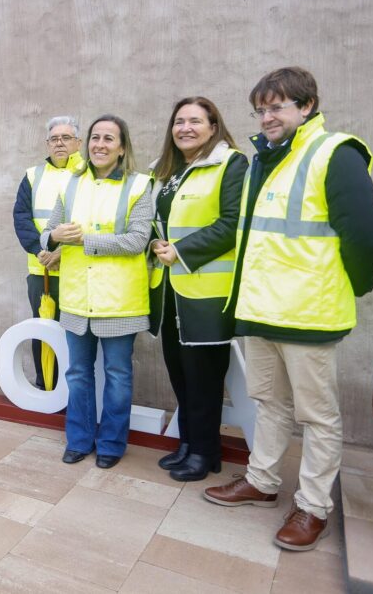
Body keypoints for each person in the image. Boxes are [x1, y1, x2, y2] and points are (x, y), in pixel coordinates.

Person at [204, 67, 373, 551]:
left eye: (277, 106)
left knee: (318, 417)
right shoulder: (267, 159)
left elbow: (367, 239)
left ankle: (311, 508)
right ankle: (262, 482)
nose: (266, 117)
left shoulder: (335, 153)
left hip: (309, 315)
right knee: (271, 405)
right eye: (260, 109)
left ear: (306, 106)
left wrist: (349, 287)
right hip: (262, 311)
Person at [41, 115, 152, 468]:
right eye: (94, 138)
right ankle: (79, 440)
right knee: (77, 373)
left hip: (119, 301)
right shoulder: (71, 183)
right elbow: (48, 231)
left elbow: (137, 240)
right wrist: (55, 238)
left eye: (109, 139)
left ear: (122, 147)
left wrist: (85, 240)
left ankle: (111, 445)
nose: (100, 144)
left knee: (118, 376)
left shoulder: (140, 185)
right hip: (76, 298)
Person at [148, 97, 248, 482]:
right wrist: (157, 244)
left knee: (204, 378)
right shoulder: (167, 171)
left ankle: (206, 452)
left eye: (194, 121)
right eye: (178, 121)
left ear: (213, 126)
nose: (185, 128)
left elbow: (232, 222)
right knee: (180, 374)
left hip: (207, 294)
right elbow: (162, 222)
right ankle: (190, 445)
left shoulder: (230, 163)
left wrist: (182, 250)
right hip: (171, 291)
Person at [12, 116, 83, 389]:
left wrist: (62, 253)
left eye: (66, 138)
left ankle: (72, 393)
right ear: (47, 144)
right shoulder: (33, 175)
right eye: (54, 139)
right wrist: (40, 249)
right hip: (40, 270)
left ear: (78, 142)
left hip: (78, 270)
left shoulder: (88, 174)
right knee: (43, 332)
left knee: (76, 336)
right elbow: (22, 217)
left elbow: (91, 221)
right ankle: (46, 387)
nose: (60, 143)